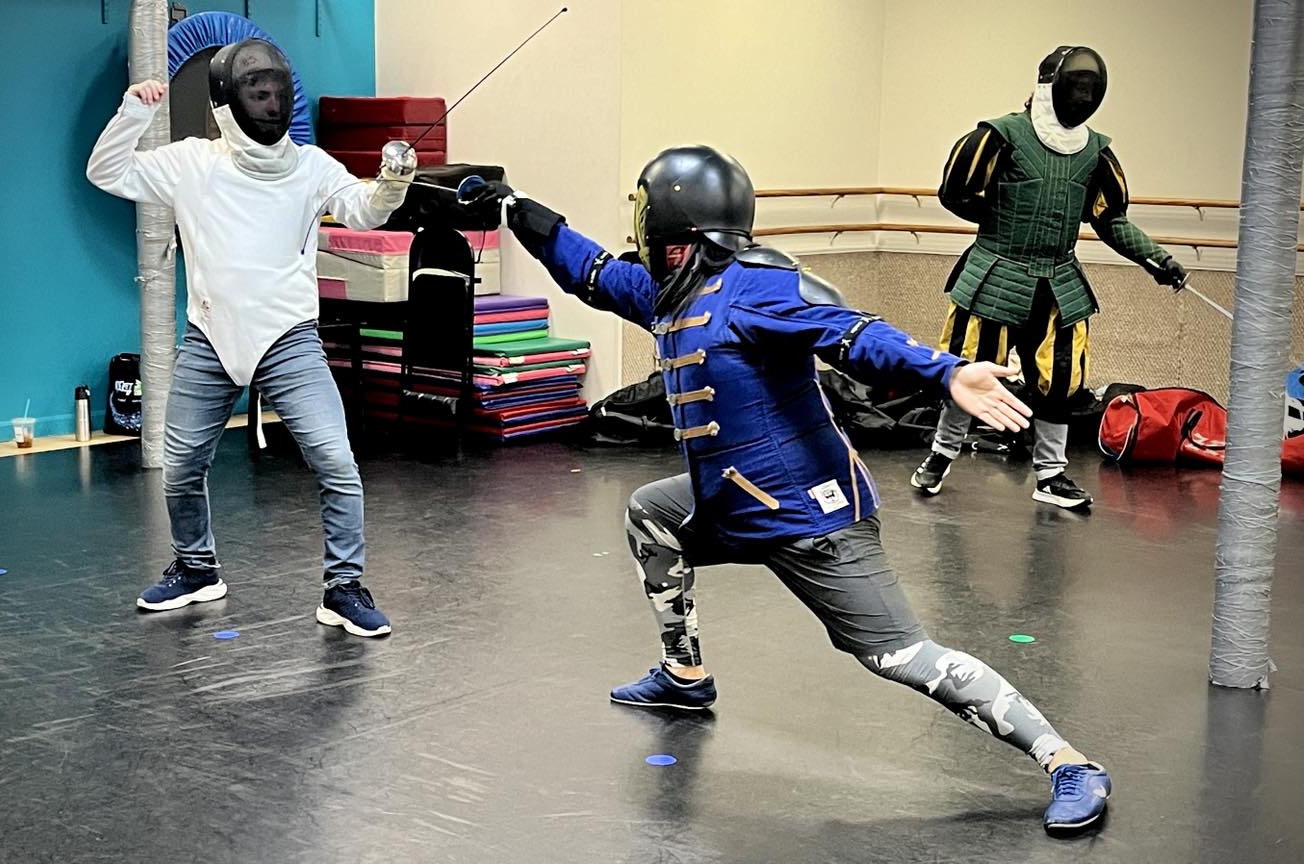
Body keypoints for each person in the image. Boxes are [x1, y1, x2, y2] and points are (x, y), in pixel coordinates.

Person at [465, 147, 1111, 831]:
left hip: (814, 521)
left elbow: (851, 332)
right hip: (732, 500)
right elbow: (590, 272)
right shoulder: (671, 291)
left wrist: (943, 371)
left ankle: (1068, 761)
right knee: (651, 513)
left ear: (676, 232)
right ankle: (685, 678)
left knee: (900, 656)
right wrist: (517, 210)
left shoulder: (757, 287)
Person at [87, 39, 414, 636]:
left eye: (276, 92)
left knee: (337, 464)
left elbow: (363, 210)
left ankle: (343, 589)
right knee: (180, 463)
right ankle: (196, 568)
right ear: (225, 101)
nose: (269, 103)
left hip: (289, 340)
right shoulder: (191, 163)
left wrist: (391, 184)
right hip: (210, 337)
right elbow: (105, 171)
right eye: (255, 92)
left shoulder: (313, 168)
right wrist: (133, 112)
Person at [911, 46, 1189, 508]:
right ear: (1051, 84)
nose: (1083, 95)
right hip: (995, 273)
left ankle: (1052, 474)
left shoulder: (1095, 152)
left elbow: (1110, 219)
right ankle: (941, 456)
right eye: (1076, 85)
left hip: (1059, 281)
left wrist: (1157, 260)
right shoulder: (1001, 136)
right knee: (969, 371)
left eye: (1090, 88)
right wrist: (997, 220)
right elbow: (954, 192)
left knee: (1061, 381)